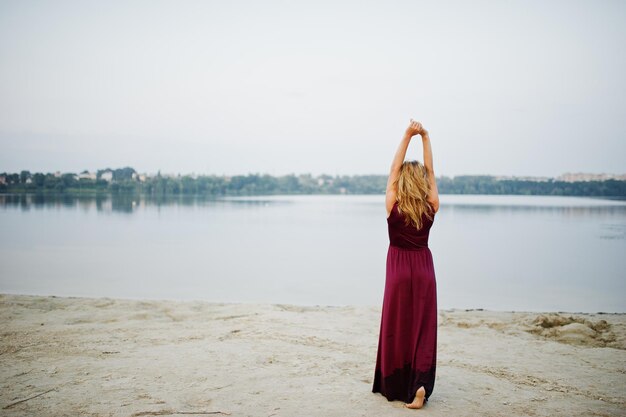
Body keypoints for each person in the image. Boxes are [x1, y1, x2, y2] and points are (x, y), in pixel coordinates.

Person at [372, 119, 440, 409]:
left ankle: (397, 383)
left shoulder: (393, 204)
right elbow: (432, 172)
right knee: (422, 328)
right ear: (422, 182)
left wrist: (406, 135)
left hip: (399, 271)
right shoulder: (431, 204)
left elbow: (392, 170)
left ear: (401, 181)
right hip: (424, 270)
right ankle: (419, 386)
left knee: (397, 326)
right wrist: (424, 137)